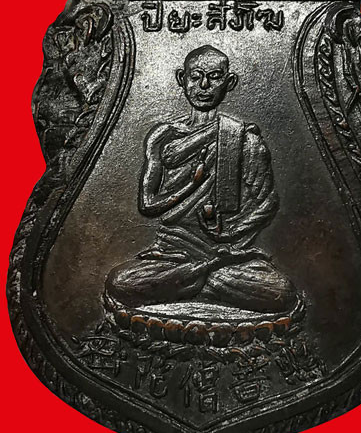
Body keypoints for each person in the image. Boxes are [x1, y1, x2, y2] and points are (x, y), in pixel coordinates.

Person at [105, 45, 296, 312]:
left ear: (229, 82)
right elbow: (147, 205)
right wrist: (194, 183)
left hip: (227, 253)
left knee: (281, 290)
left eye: (215, 77)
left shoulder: (244, 138)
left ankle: (193, 279)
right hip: (172, 252)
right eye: (196, 77)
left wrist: (229, 232)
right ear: (182, 79)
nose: (204, 86)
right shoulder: (163, 136)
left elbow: (267, 204)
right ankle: (206, 278)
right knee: (120, 281)